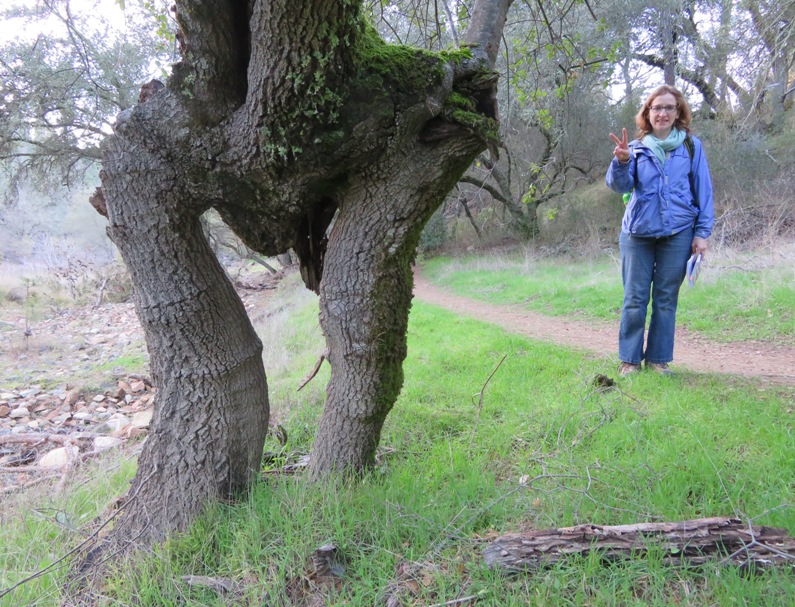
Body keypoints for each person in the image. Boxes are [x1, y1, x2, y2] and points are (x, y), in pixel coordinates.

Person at [606, 85, 715, 376]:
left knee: (666, 298)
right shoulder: (635, 148)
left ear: (678, 112)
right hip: (637, 234)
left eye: (669, 107)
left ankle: (657, 360)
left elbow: (703, 192)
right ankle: (629, 360)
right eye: (657, 107)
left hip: (678, 232)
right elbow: (620, 186)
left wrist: (702, 234)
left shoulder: (692, 147)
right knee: (634, 298)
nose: (663, 113)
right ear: (648, 113)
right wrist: (622, 161)